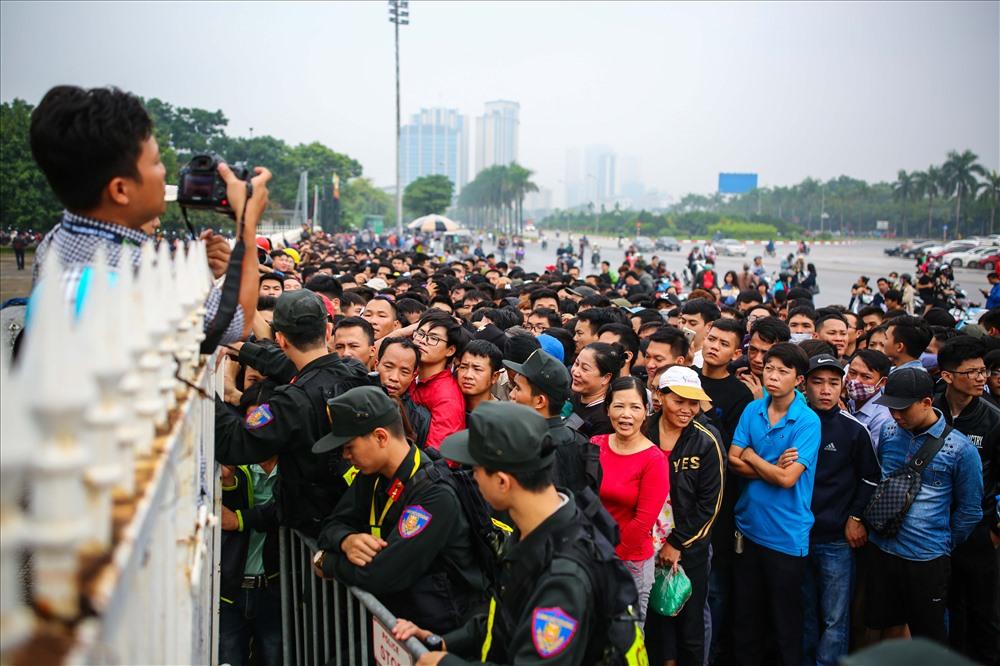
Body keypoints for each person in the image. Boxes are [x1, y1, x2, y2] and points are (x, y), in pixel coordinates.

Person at [393, 401, 645, 665]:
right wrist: (443, 642)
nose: (473, 478)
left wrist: (443, 663)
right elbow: (506, 613)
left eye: (476, 469)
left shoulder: (564, 577)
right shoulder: (540, 526)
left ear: (502, 482)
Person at [29, 85, 261, 346]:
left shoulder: (52, 242)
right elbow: (238, 322)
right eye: (156, 162)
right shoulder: (143, 271)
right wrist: (247, 221)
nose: (164, 173)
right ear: (120, 190)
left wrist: (194, 265)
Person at [312, 386, 486, 635]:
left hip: (439, 633)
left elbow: (382, 574)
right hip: (400, 626)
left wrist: (327, 562)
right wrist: (346, 540)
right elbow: (332, 524)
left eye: (349, 446)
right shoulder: (372, 475)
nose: (345, 456)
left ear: (381, 437)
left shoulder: (434, 495)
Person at [215, 290, 372, 537]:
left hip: (318, 529)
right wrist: (241, 349)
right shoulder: (354, 371)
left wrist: (200, 387)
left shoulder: (291, 402)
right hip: (353, 518)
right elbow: (294, 365)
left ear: (281, 339)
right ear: (328, 331)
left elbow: (234, 442)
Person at [866, 368, 983, 644]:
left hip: (926, 559)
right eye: (891, 408)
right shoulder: (889, 431)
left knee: (929, 635)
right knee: (885, 626)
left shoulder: (960, 449)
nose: (896, 415)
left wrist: (941, 541)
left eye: (903, 409)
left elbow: (970, 510)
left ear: (927, 403)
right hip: (882, 549)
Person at [727, 342, 821, 666]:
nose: (773, 376)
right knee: (746, 618)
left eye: (783, 371)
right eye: (769, 368)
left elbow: (787, 479)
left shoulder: (807, 421)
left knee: (785, 623)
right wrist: (770, 466)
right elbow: (732, 460)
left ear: (799, 379)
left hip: (786, 535)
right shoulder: (752, 409)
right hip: (748, 527)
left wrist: (752, 456)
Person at [800, 354, 880, 666]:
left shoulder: (853, 429)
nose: (825, 390)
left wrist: (856, 517)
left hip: (835, 539)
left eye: (833, 383)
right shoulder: (793, 423)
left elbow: (870, 477)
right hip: (797, 536)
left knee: (835, 618)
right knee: (804, 612)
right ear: (804, 385)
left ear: (842, 387)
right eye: (818, 382)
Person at [646, 366, 725, 666]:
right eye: (679, 400)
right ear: (660, 396)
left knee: (690, 627)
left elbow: (710, 504)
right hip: (645, 545)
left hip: (690, 549)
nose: (687, 409)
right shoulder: (643, 430)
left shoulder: (706, 440)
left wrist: (677, 543)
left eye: (693, 403)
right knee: (654, 624)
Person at [933, 337, 1000, 663]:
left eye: (983, 371)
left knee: (983, 612)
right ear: (947, 376)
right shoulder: (930, 409)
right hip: (934, 529)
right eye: (971, 372)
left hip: (979, 529)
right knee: (943, 608)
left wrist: (995, 529)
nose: (980, 378)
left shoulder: (993, 419)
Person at [594, 376, 670, 622]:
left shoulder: (654, 460)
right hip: (591, 555)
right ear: (607, 409)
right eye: (619, 406)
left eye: (635, 407)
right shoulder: (595, 445)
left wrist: (610, 559)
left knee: (626, 635)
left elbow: (642, 522)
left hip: (628, 562)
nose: (626, 414)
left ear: (646, 412)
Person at [506, 348, 600, 494]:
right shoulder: (581, 442)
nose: (511, 395)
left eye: (518, 388)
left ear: (539, 401)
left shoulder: (525, 447)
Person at [218, 454, 281, 666]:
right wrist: (228, 482)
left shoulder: (292, 468)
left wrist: (240, 519)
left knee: (274, 657)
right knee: (229, 659)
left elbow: (288, 510)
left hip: (272, 589)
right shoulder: (234, 467)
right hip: (229, 592)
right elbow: (224, 515)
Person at [411, 310, 469, 448]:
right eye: (420, 334)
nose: (422, 341)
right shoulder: (409, 374)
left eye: (433, 338)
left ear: (450, 350)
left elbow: (438, 453)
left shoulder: (447, 396)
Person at [375, 337, 430, 449]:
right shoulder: (357, 402)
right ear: (376, 365)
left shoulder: (420, 418)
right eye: (388, 367)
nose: (394, 378)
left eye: (404, 372)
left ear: (413, 376)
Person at [569, 341, 625, 437]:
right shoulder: (570, 396)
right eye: (576, 363)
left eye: (585, 369)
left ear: (606, 378)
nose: (576, 372)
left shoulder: (604, 419)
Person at [845, 349, 893, 449]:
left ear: (882, 382)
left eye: (866, 377)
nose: (856, 381)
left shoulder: (882, 418)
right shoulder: (848, 402)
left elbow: (868, 453)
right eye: (852, 373)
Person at [456, 339, 503, 414]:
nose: (468, 375)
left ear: (494, 377)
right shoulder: (449, 406)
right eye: (463, 367)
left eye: (477, 369)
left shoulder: (501, 415)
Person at [680, 298, 722, 369]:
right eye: (683, 322)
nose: (685, 327)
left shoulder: (711, 359)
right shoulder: (670, 350)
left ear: (709, 326)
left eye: (692, 323)